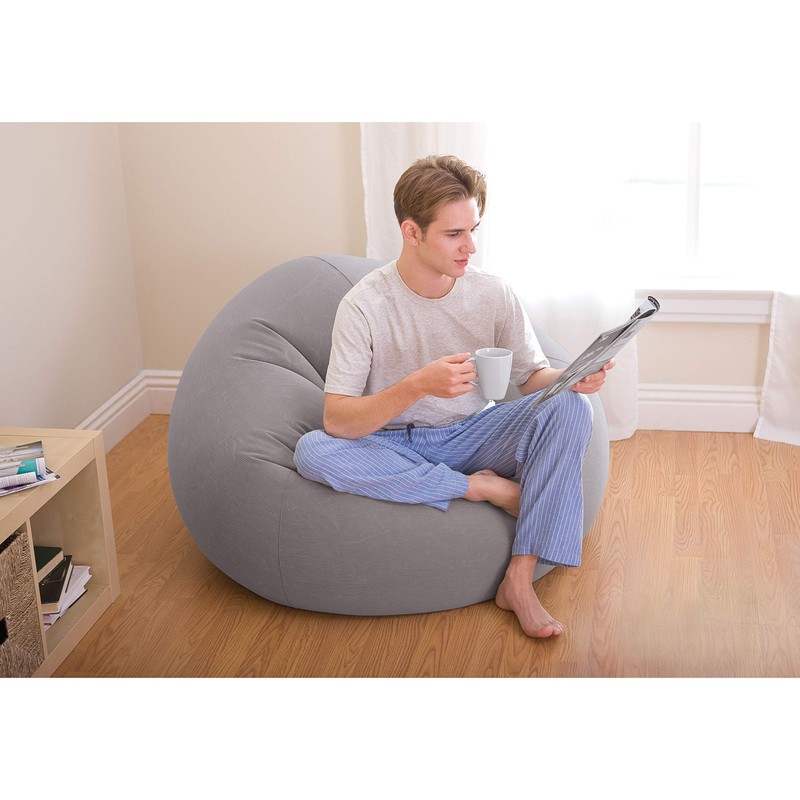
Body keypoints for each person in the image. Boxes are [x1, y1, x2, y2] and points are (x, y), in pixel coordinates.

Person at [294, 154, 613, 638]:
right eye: (454, 234)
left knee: (572, 406)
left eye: (474, 230)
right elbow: (337, 420)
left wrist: (572, 378)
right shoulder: (364, 305)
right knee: (312, 451)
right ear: (412, 232)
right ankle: (480, 488)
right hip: (392, 442)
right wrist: (417, 385)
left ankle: (519, 578)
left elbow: (531, 376)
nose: (471, 247)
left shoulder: (492, 293)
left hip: (475, 432)